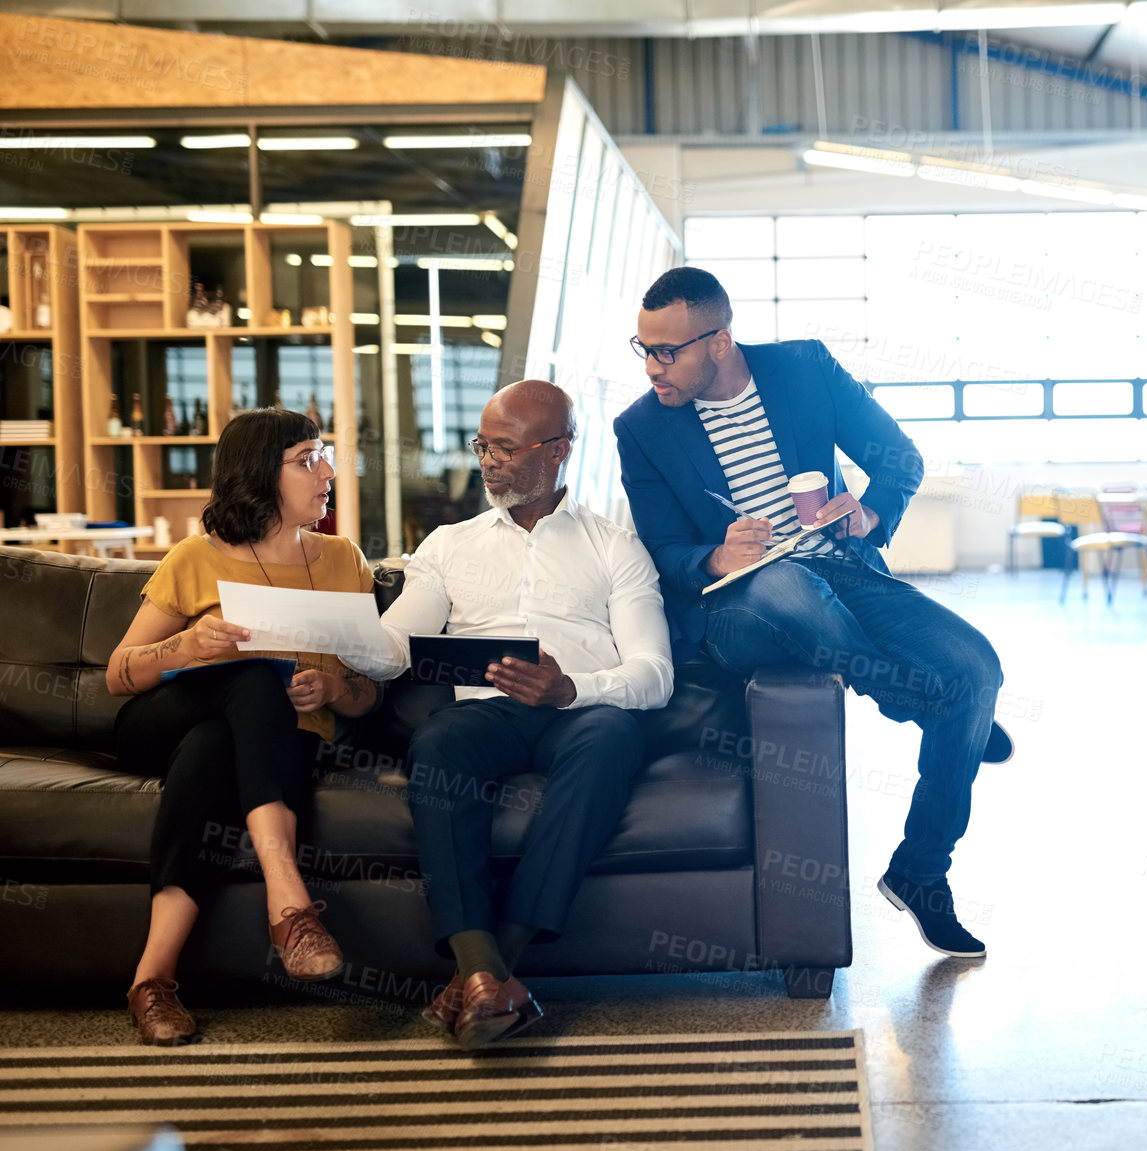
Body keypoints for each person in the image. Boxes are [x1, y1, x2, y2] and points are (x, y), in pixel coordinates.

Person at [614, 266, 1010, 961]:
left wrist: (868, 511)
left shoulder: (803, 368)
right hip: (739, 605)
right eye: (643, 348)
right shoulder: (640, 427)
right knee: (790, 589)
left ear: (719, 340)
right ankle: (913, 699)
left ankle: (921, 870)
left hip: (841, 569)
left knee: (976, 667)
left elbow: (898, 457)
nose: (653, 367)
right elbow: (664, 548)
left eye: (667, 350)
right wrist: (716, 556)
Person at [340, 379, 673, 1050]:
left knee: (611, 738)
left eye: (505, 447)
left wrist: (569, 687)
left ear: (558, 451)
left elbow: (654, 674)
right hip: (485, 713)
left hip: (581, 710)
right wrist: (329, 630)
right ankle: (488, 972)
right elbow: (393, 647)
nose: (488, 460)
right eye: (482, 445)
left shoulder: (615, 546)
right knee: (437, 744)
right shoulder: (446, 544)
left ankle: (487, 970)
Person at [107, 408, 380, 1046]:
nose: (328, 471)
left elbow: (371, 695)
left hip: (272, 741)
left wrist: (338, 688)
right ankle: (290, 907)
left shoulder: (344, 560)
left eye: (325, 454)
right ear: (260, 473)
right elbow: (118, 675)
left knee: (214, 751)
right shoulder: (194, 558)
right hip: (161, 724)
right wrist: (186, 648)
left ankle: (153, 982)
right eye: (307, 458)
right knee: (252, 679)